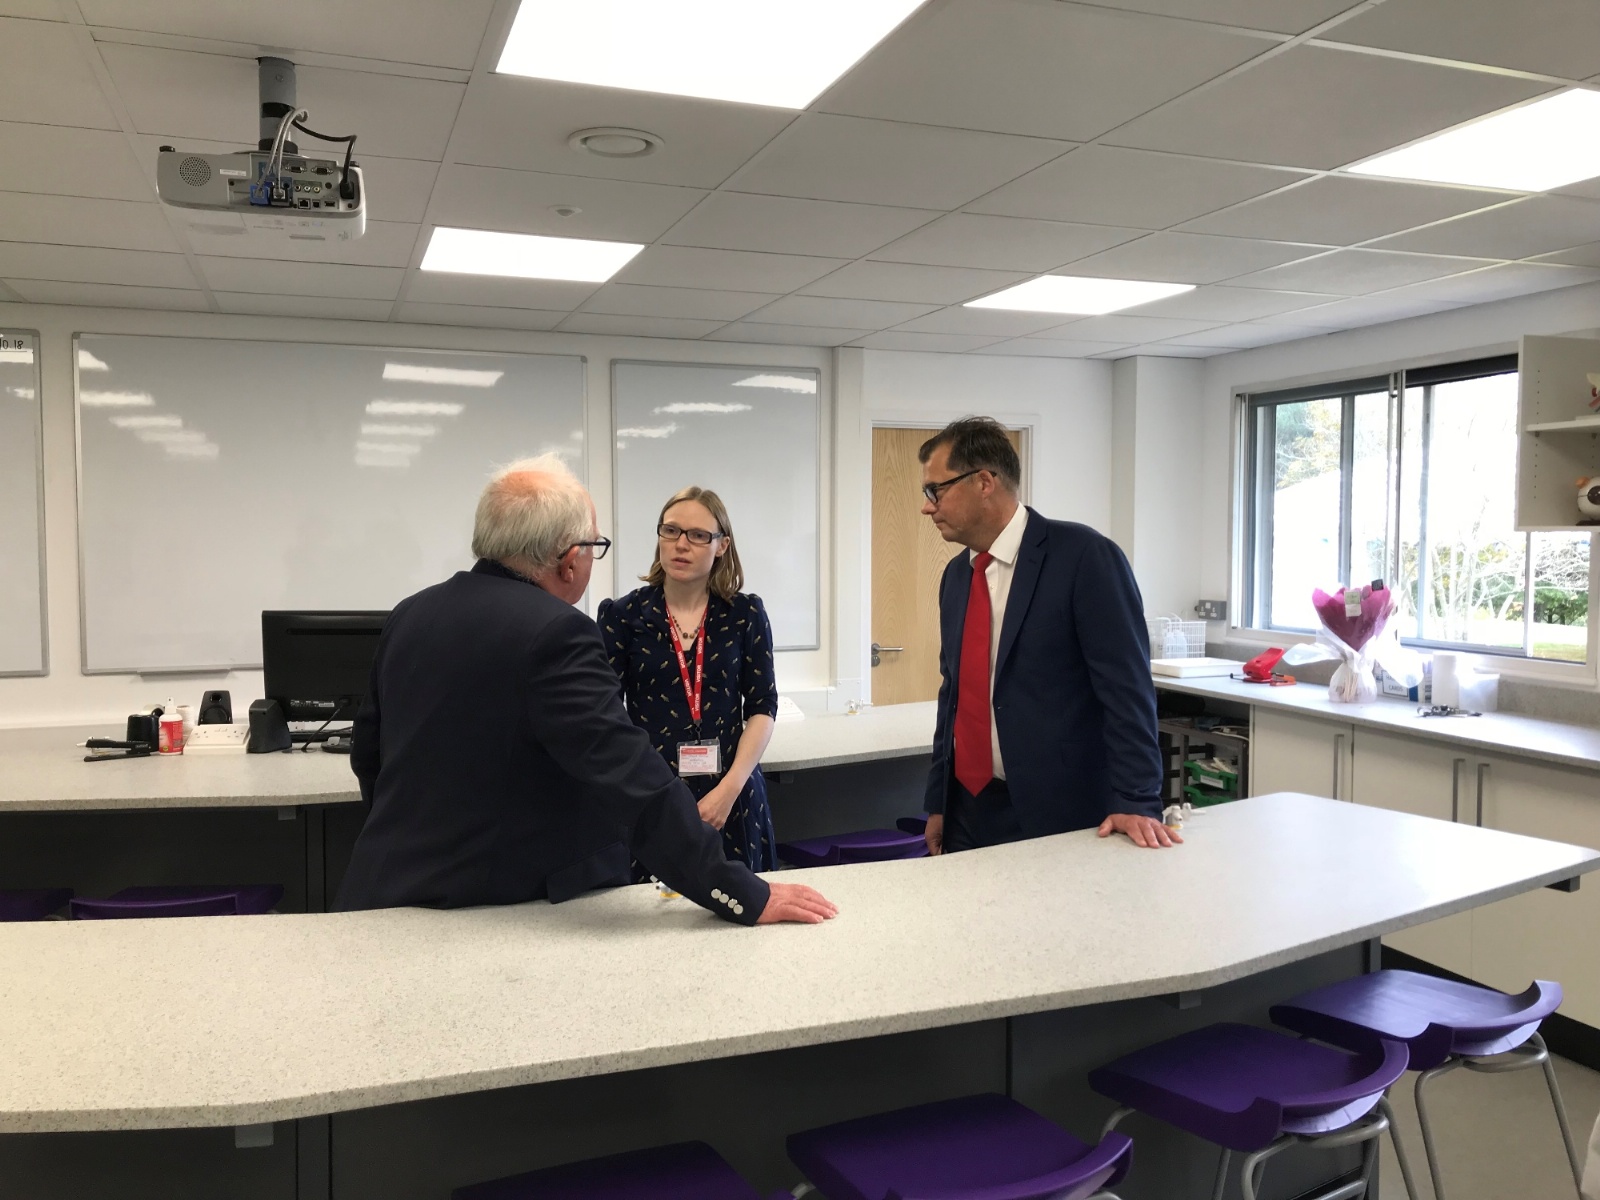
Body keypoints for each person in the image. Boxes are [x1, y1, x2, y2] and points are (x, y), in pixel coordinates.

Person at [334, 454, 835, 927]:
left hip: (383, 896)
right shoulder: (558, 631)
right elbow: (626, 774)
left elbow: (370, 755)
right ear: (569, 560)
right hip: (491, 911)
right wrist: (739, 891)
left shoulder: (410, 614)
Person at [916, 416, 1175, 855]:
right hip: (969, 809)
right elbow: (953, 694)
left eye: (935, 490)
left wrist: (1136, 799)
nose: (928, 507)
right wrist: (939, 801)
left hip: (1059, 812)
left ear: (984, 482)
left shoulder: (1083, 558)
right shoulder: (958, 576)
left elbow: (1126, 691)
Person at [598, 487, 778, 873]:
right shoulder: (623, 616)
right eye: (671, 530)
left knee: (738, 903)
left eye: (697, 535)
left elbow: (763, 707)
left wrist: (729, 790)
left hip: (732, 792)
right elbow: (609, 714)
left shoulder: (744, 614)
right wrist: (647, 789)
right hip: (651, 795)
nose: (681, 544)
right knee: (651, 905)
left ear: (722, 545)